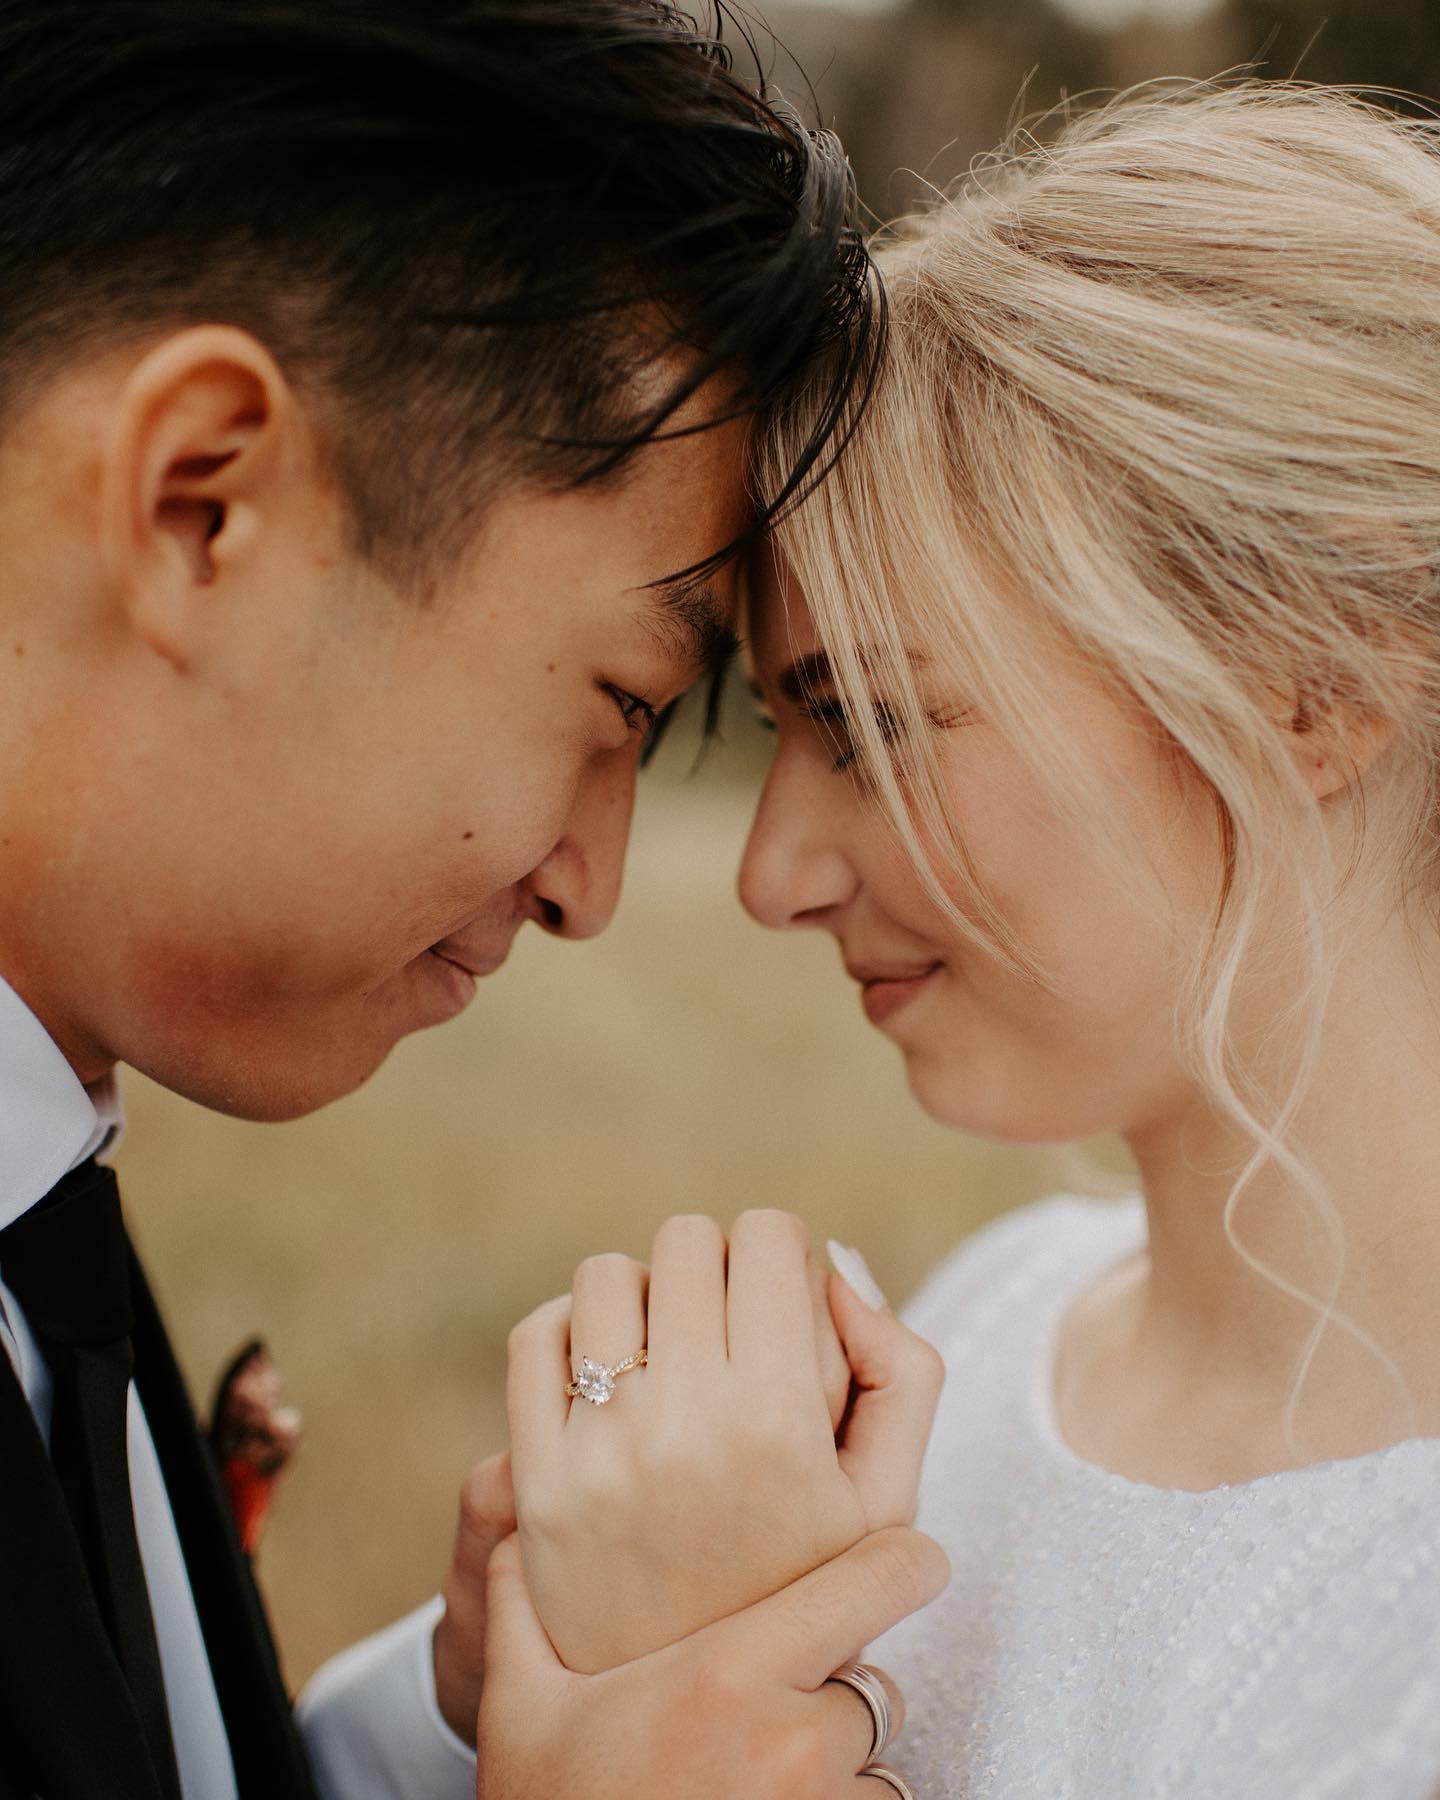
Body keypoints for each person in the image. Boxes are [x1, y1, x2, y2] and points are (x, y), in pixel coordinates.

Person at [0, 2, 951, 1796]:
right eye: (622, 704)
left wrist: (488, 1720)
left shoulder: (42, 1217)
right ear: (204, 505)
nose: (590, 887)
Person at [504, 82, 1440, 1796]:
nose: (773, 876)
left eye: (869, 722)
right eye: (777, 733)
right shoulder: (976, 1329)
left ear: (1309, 680)